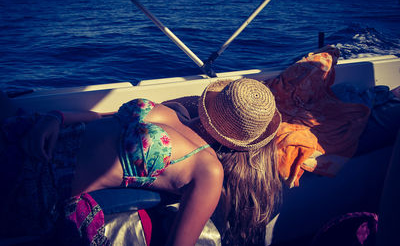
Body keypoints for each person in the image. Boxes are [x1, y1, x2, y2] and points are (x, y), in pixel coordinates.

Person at [0, 77, 282, 246]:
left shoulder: (208, 170)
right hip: (34, 133)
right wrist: (56, 117)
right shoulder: (177, 112)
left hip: (35, 181)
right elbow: (103, 118)